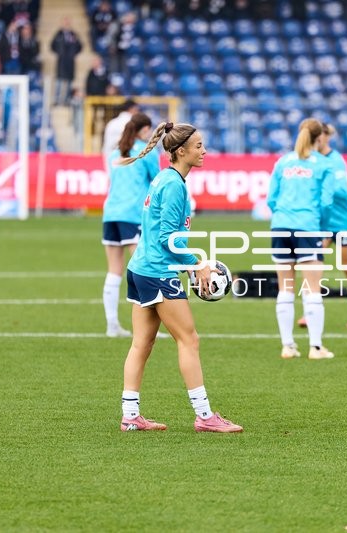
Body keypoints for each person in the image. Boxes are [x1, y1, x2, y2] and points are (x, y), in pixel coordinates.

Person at [118, 121, 242, 433]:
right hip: (158, 271)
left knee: (141, 344)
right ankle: (204, 416)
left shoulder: (165, 178)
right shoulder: (173, 184)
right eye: (199, 146)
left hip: (141, 268)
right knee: (189, 339)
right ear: (181, 150)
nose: (204, 151)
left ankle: (130, 416)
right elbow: (166, 238)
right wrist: (196, 264)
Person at [267, 118, 336, 360]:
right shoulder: (323, 164)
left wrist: (284, 215)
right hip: (307, 228)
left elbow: (271, 199)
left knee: (285, 288)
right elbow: (327, 202)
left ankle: (288, 346)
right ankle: (316, 347)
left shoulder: (283, 161)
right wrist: (323, 227)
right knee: (312, 288)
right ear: (320, 137)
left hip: (281, 227)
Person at [297, 124, 347, 329]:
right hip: (320, 224)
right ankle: (309, 313)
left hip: (342, 223)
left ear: (327, 137)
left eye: (321, 135)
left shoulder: (335, 161)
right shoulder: (309, 159)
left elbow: (341, 191)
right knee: (310, 267)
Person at [102, 113, 159, 337]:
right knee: (146, 268)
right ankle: (148, 329)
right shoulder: (147, 153)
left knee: (114, 271)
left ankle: (112, 325)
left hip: (111, 214)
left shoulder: (114, 153)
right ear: (144, 130)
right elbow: (158, 181)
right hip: (133, 214)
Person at [50, 18, 82, 106]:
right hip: (61, 61)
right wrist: (59, 53)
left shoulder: (73, 34)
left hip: (70, 62)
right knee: (59, 82)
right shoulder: (58, 34)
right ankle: (57, 100)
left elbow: (80, 46)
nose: (66, 25)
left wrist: (73, 53)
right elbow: (52, 45)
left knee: (69, 82)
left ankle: (66, 100)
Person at [102, 99, 139, 172]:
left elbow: (106, 145)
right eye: (137, 109)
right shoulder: (132, 123)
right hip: (126, 161)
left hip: (110, 158)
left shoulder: (111, 123)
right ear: (132, 109)